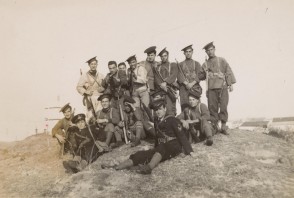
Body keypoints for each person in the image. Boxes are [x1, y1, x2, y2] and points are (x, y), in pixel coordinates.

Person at [101, 99, 195, 174]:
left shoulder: (172, 119)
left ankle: (148, 168)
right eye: (156, 110)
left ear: (165, 109)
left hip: (174, 145)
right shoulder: (157, 121)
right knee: (141, 154)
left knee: (161, 148)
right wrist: (154, 148)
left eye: (160, 109)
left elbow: (181, 135)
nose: (158, 112)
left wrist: (190, 151)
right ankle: (117, 167)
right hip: (162, 147)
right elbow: (158, 137)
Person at [202, 42, 236, 134]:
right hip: (211, 88)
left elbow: (228, 70)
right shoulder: (205, 64)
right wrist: (205, 73)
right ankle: (215, 125)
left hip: (222, 86)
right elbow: (200, 75)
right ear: (206, 52)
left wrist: (230, 84)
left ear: (214, 49)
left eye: (211, 50)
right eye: (208, 51)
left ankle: (224, 126)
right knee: (212, 107)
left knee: (223, 105)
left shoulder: (222, 60)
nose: (210, 52)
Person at [177, 45, 206, 110]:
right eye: (186, 52)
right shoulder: (180, 64)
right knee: (185, 107)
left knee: (196, 107)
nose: (188, 53)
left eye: (190, 51)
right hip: (184, 89)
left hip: (194, 87)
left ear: (192, 52)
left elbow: (200, 75)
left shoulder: (197, 63)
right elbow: (179, 76)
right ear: (184, 53)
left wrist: (191, 84)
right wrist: (186, 84)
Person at [76, 56, 105, 121]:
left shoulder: (101, 75)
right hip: (90, 98)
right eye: (92, 64)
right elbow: (78, 87)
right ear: (89, 65)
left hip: (100, 98)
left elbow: (105, 86)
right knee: (91, 117)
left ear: (97, 64)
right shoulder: (84, 75)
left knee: (100, 115)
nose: (93, 66)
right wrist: (86, 92)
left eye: (95, 64)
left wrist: (103, 89)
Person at [154, 47, 178, 116]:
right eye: (162, 56)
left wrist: (166, 82)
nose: (163, 57)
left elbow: (174, 75)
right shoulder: (158, 67)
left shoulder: (172, 65)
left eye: (165, 56)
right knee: (161, 110)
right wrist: (161, 85)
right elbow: (156, 77)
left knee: (170, 110)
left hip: (170, 90)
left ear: (168, 56)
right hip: (161, 91)